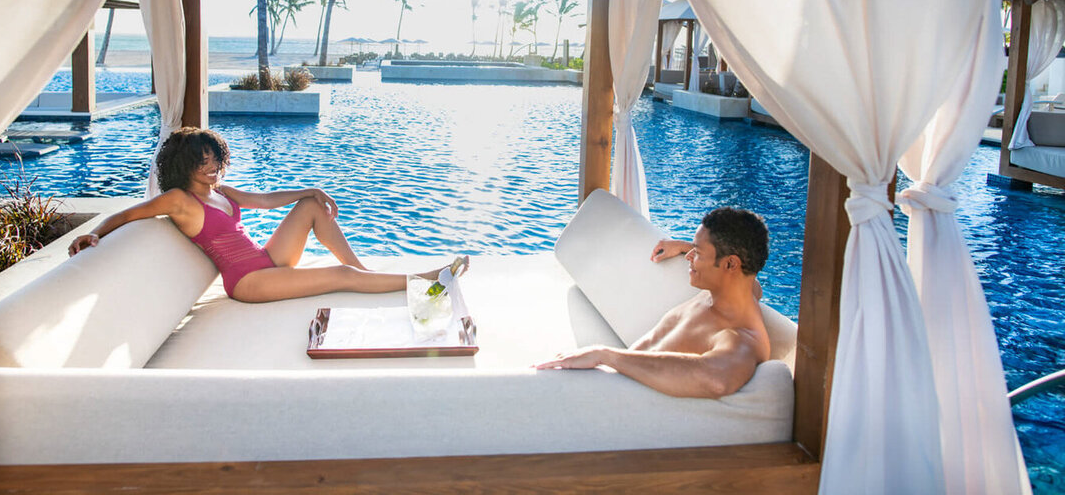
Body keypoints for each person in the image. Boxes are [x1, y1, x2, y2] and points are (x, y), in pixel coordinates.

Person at [69, 127, 466, 302]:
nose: (211, 169)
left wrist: (310, 190)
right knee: (340, 278)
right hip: (247, 282)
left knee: (311, 207)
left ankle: (366, 273)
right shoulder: (179, 199)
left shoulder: (219, 191)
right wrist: (96, 234)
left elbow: (264, 201)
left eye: (214, 161)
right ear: (183, 166)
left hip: (264, 260)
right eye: (202, 163)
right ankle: (429, 280)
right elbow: (129, 214)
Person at [536, 207, 769, 399]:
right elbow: (746, 267)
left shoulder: (739, 338)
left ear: (729, 265)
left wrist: (604, 355)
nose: (689, 258)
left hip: (613, 400)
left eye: (697, 253)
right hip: (610, 379)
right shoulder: (741, 289)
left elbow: (715, 380)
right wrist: (684, 245)